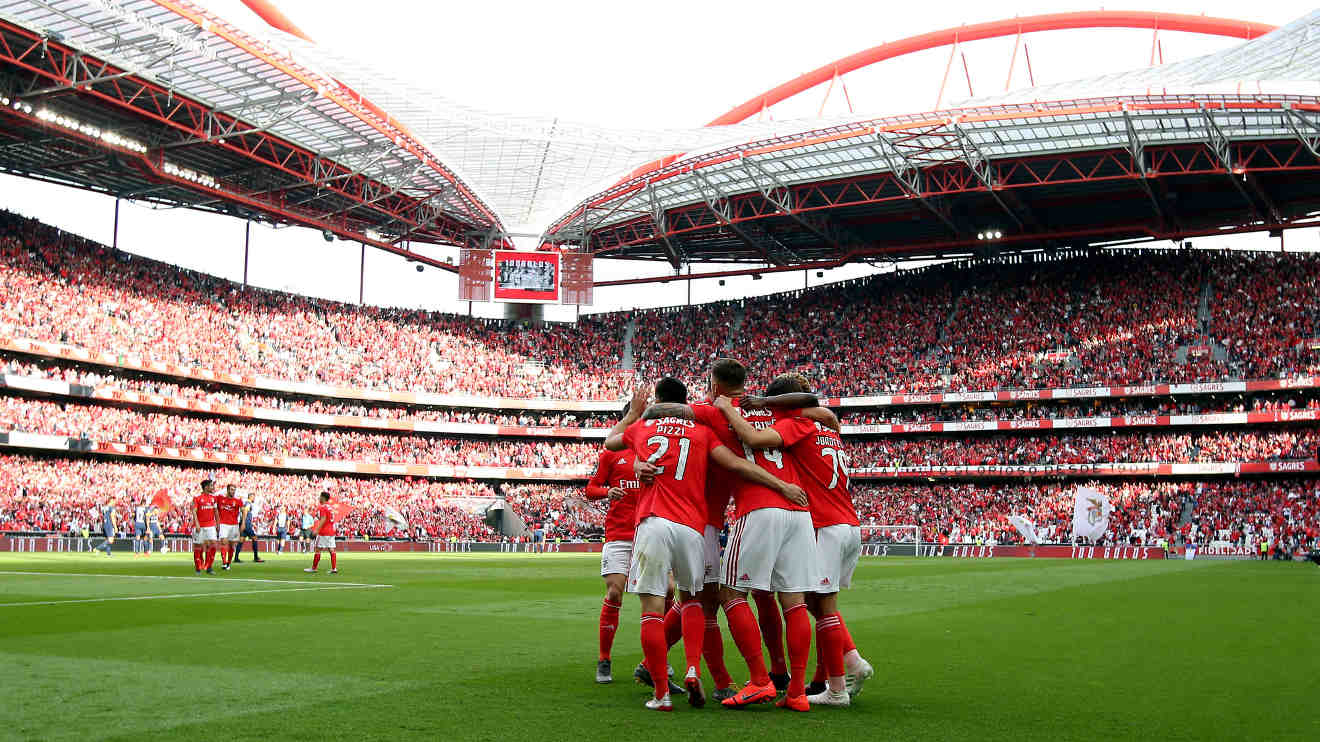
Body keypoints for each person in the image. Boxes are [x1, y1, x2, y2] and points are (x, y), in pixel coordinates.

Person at [603, 377, 808, 712]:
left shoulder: (657, 425)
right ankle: (719, 676)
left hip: (669, 520)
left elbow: (613, 442)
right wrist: (782, 484)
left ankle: (666, 682)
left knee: (683, 602)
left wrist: (637, 427)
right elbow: (738, 460)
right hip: (700, 524)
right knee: (705, 600)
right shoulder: (708, 425)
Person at [722, 373, 875, 706]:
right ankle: (830, 679)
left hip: (823, 522)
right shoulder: (825, 426)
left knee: (813, 605)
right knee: (818, 605)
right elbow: (828, 415)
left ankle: (843, 675)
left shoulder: (795, 424)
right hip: (847, 522)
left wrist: (740, 406)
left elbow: (756, 439)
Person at [688, 358, 818, 711]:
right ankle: (796, 692)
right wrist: (763, 402)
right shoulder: (781, 412)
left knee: (730, 592)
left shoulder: (715, 410)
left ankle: (760, 680)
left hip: (759, 508)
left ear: (715, 385)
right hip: (799, 511)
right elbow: (818, 413)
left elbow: (670, 413)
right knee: (794, 602)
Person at [584, 399, 644, 685]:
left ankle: (656, 658)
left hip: (649, 531)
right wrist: (607, 491)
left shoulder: (655, 447)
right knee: (614, 594)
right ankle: (604, 659)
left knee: (665, 593)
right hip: (619, 534)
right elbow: (591, 488)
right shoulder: (611, 454)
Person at [304, 492, 338, 574]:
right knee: (331, 549)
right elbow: (327, 518)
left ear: (323, 498)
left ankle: (314, 568)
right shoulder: (330, 507)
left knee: (318, 549)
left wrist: (316, 530)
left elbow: (323, 519)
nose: (319, 498)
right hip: (331, 531)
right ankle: (334, 568)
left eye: (320, 497)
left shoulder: (322, 507)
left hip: (324, 531)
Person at [192, 480, 219, 574]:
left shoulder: (214, 498)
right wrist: (197, 524)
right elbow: (194, 511)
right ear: (206, 487)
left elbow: (216, 512)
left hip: (210, 525)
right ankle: (198, 567)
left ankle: (209, 567)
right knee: (198, 546)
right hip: (199, 526)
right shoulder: (197, 498)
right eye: (211, 486)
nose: (213, 487)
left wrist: (218, 524)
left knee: (213, 545)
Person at [216, 484, 243, 570]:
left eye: (234, 490)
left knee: (232, 545)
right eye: (231, 489)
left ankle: (228, 563)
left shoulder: (238, 500)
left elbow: (244, 510)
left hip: (234, 525)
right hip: (223, 524)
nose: (233, 491)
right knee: (223, 542)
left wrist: (243, 523)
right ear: (227, 490)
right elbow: (213, 504)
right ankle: (224, 562)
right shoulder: (220, 498)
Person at [234, 491, 264, 563]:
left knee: (241, 540)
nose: (254, 499)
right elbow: (245, 511)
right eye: (254, 497)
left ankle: (236, 558)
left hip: (244, 523)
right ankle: (256, 557)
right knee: (255, 538)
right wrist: (244, 523)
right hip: (246, 524)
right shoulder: (248, 503)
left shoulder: (245, 503)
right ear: (251, 497)